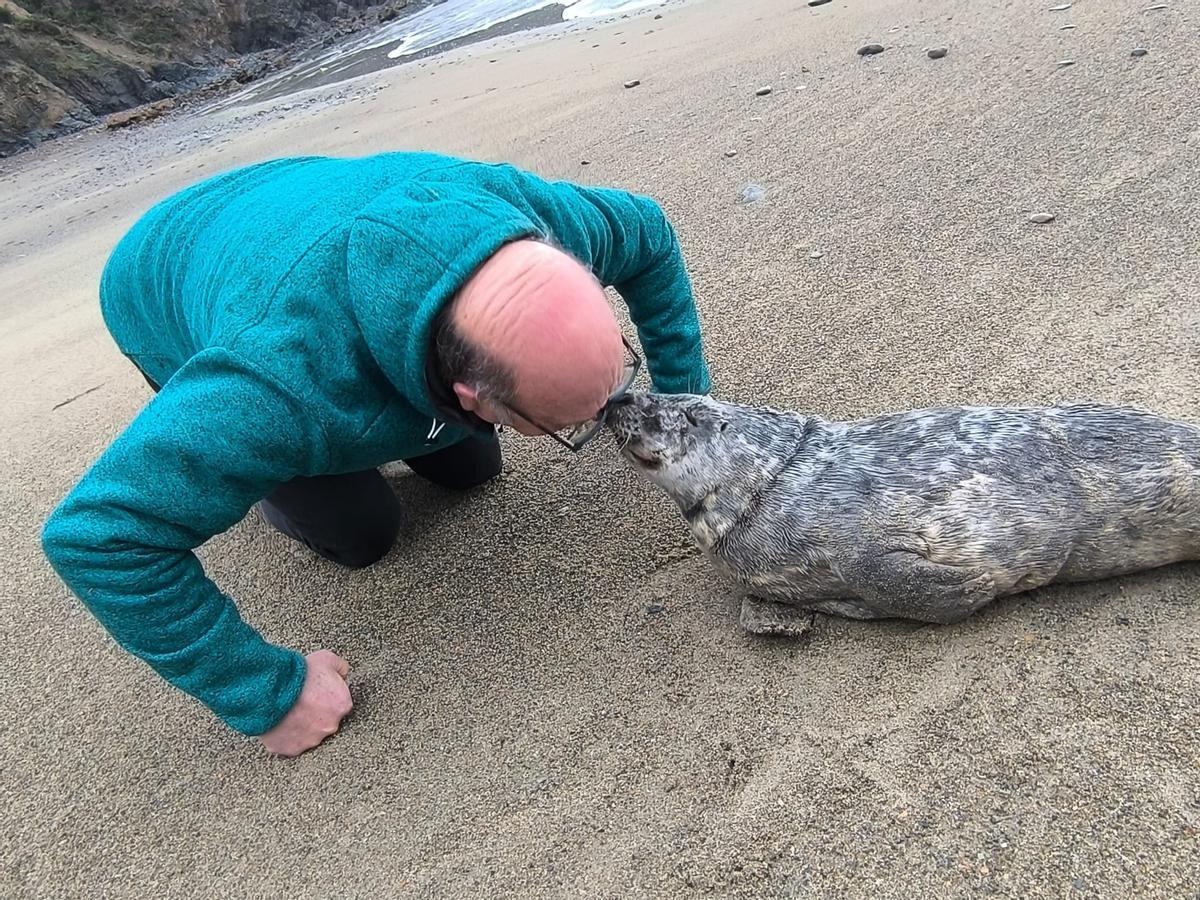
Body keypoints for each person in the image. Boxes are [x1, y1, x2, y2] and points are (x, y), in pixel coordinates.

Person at [40, 151, 711, 757]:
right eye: (570, 424)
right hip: (162, 273)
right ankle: (263, 480)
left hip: (289, 193)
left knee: (473, 469)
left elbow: (648, 233)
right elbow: (96, 537)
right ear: (469, 393)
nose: (607, 419)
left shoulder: (545, 218)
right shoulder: (277, 382)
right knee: (365, 532)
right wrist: (267, 695)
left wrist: (686, 413)